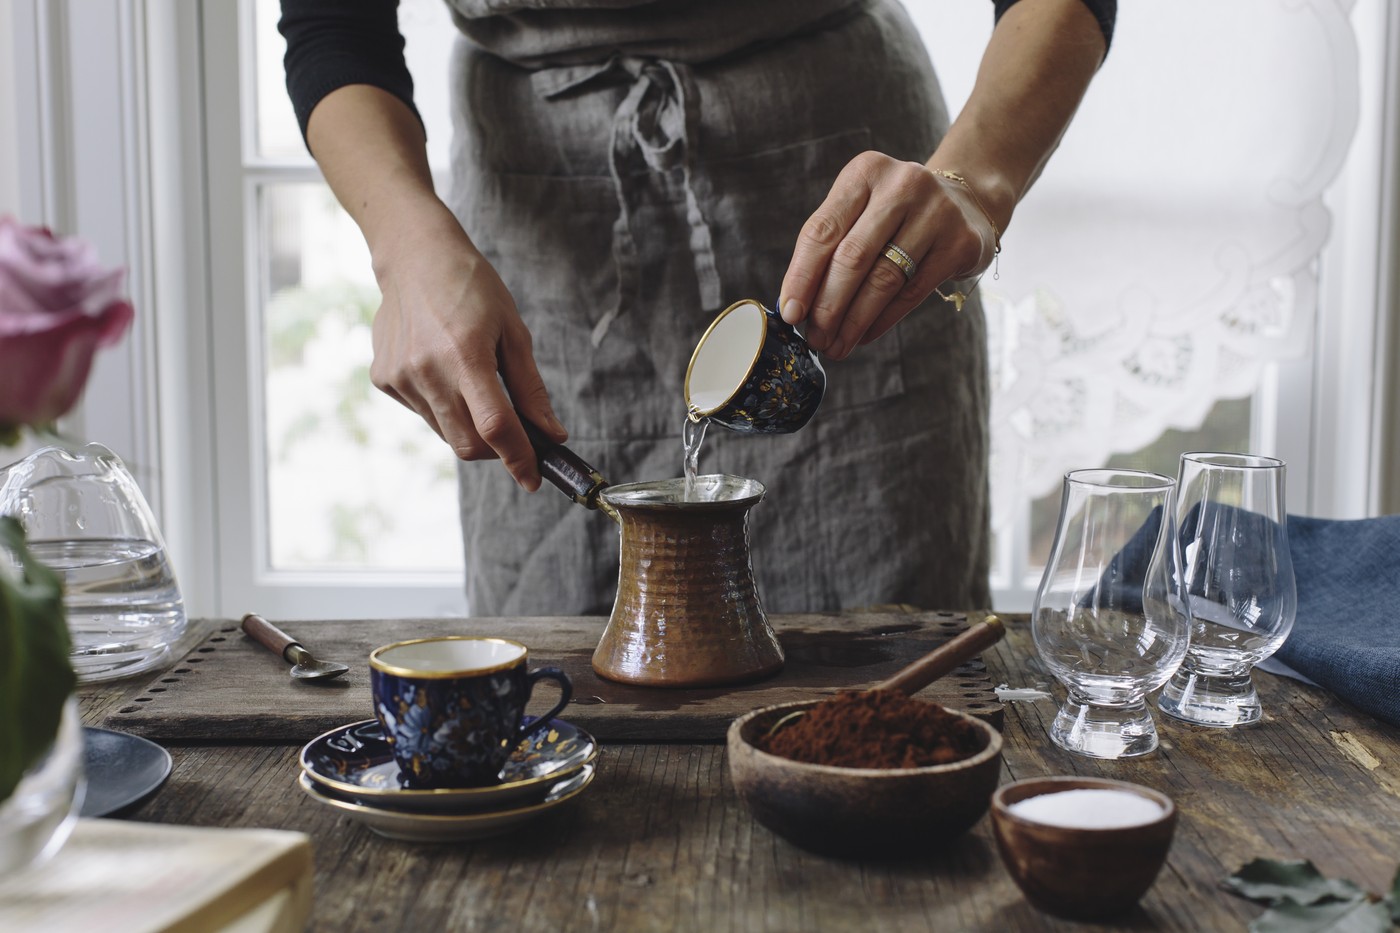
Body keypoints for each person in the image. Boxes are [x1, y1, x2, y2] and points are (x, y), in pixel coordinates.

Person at [279, 0, 1115, 616]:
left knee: (883, 673)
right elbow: (331, 24)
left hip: (853, 217)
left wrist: (982, 177)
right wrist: (404, 242)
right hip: (541, 233)